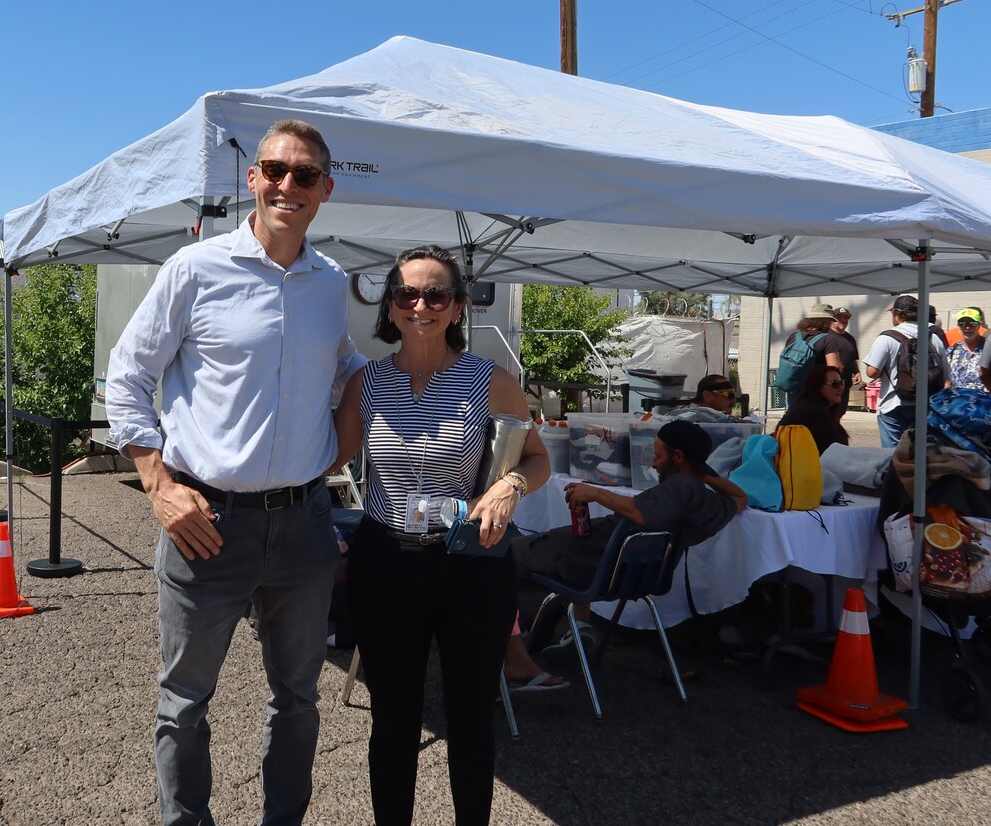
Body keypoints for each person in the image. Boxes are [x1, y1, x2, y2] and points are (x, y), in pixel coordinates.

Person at [106, 118, 367, 826]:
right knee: (184, 702)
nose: (288, 184)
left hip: (306, 525)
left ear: (325, 190)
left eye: (304, 174)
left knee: (300, 698)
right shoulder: (195, 269)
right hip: (207, 524)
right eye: (274, 169)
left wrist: (371, 416)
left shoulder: (328, 283)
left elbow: (345, 368)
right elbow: (126, 377)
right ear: (251, 177)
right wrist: (158, 485)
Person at [331, 244, 551, 826]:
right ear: (391, 304)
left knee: (472, 715)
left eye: (436, 294)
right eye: (406, 293)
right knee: (394, 717)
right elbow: (326, 458)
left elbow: (536, 460)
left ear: (457, 307)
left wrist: (509, 489)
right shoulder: (367, 382)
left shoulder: (491, 380)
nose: (420, 304)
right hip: (387, 565)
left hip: (470, 564)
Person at [511, 420, 747, 664]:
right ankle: (578, 627)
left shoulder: (679, 488)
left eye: (657, 456)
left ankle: (514, 642)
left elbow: (641, 513)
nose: (653, 464)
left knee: (505, 555)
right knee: (561, 555)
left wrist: (596, 493)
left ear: (677, 456)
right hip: (630, 575)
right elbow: (740, 497)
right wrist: (702, 473)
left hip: (594, 565)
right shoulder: (708, 502)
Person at [864, 295, 951, 448]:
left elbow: (872, 372)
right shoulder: (933, 338)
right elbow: (947, 379)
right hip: (925, 404)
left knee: (892, 454)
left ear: (897, 315)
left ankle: (895, 472)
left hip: (893, 404)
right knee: (918, 452)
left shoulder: (886, 337)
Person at [776, 364, 850, 453]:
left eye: (841, 383)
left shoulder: (808, 407)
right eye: (835, 384)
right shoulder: (815, 413)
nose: (841, 388)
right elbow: (839, 450)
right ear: (818, 386)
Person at [783, 303, 850, 385]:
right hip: (815, 389)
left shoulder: (794, 336)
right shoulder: (828, 339)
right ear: (826, 321)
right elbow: (834, 369)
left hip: (794, 386)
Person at [830, 306, 861, 414]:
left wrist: (856, 371)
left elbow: (852, 357)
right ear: (832, 319)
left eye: (846, 318)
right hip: (831, 384)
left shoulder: (850, 338)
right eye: (839, 317)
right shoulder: (827, 336)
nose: (843, 320)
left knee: (840, 411)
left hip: (845, 383)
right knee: (829, 411)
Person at [948, 308, 988, 391]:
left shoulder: (988, 348)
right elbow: (947, 381)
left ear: (979, 325)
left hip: (984, 401)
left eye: (972, 323)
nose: (967, 327)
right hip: (959, 402)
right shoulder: (952, 351)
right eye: (962, 323)